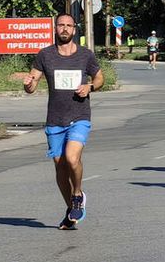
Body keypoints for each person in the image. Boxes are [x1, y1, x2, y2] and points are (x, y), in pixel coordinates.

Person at [23, 14, 105, 230]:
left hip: (79, 116)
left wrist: (90, 87)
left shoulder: (85, 55)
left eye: (69, 26)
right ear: (55, 28)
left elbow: (99, 78)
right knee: (60, 169)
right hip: (55, 119)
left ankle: (78, 193)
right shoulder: (45, 55)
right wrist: (28, 84)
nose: (65, 29)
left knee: (71, 157)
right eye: (61, 25)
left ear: (74, 30)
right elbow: (32, 83)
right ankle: (71, 210)